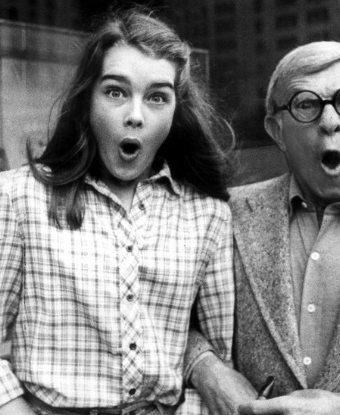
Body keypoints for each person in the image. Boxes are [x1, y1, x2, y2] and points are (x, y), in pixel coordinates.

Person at [0, 7, 235, 415]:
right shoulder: (19, 198)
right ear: (87, 101)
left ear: (176, 112)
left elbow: (214, 364)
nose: (135, 115)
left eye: (157, 97)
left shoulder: (208, 215)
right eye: (115, 92)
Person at [185, 41, 340, 415]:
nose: (329, 121)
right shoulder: (225, 216)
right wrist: (205, 367)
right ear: (277, 130)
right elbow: (159, 315)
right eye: (306, 104)